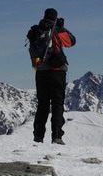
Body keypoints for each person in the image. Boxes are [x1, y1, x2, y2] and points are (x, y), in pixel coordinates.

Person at [27, 8, 76, 144]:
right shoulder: (58, 30)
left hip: (40, 71)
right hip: (57, 72)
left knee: (42, 105)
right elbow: (72, 42)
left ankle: (38, 136)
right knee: (57, 104)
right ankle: (57, 136)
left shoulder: (35, 31)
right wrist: (62, 27)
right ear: (56, 17)